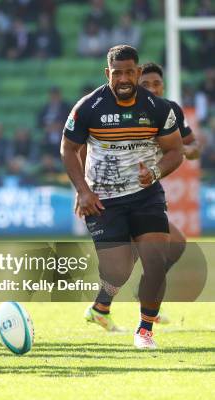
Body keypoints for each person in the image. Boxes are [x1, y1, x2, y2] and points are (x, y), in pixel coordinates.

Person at [60, 45, 183, 349]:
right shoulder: (89, 107)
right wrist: (83, 191)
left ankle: (144, 330)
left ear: (138, 72)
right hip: (104, 200)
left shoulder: (157, 108)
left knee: (156, 260)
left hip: (146, 194)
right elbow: (68, 148)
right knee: (118, 270)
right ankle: (102, 306)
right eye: (118, 73)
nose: (124, 78)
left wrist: (154, 173)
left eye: (130, 71)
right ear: (108, 74)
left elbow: (175, 151)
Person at [85, 62, 202, 328]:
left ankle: (107, 305)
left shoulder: (168, 111)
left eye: (155, 84)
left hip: (145, 192)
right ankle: (110, 305)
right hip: (116, 195)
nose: (150, 88)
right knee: (131, 259)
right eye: (145, 84)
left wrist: (185, 150)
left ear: (163, 86)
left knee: (175, 244)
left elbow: (191, 144)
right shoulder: (124, 111)